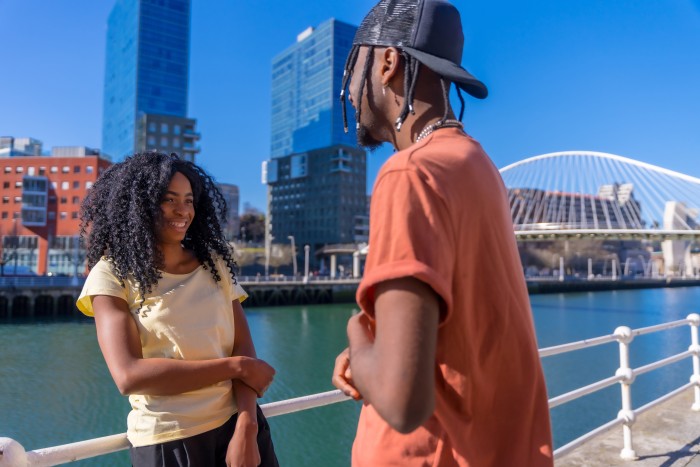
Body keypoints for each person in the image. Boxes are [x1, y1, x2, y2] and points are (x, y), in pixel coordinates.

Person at [331, 0, 554, 465]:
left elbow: (402, 402)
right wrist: (375, 353)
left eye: (351, 71)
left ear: (387, 63)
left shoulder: (410, 174)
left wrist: (357, 333)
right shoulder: (478, 166)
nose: (349, 91)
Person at [77, 152, 279, 467]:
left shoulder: (214, 265)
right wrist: (235, 367)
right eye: (169, 200)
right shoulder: (111, 275)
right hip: (169, 442)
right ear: (139, 205)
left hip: (241, 431)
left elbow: (243, 348)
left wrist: (247, 427)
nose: (182, 210)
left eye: (188, 200)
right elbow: (128, 375)